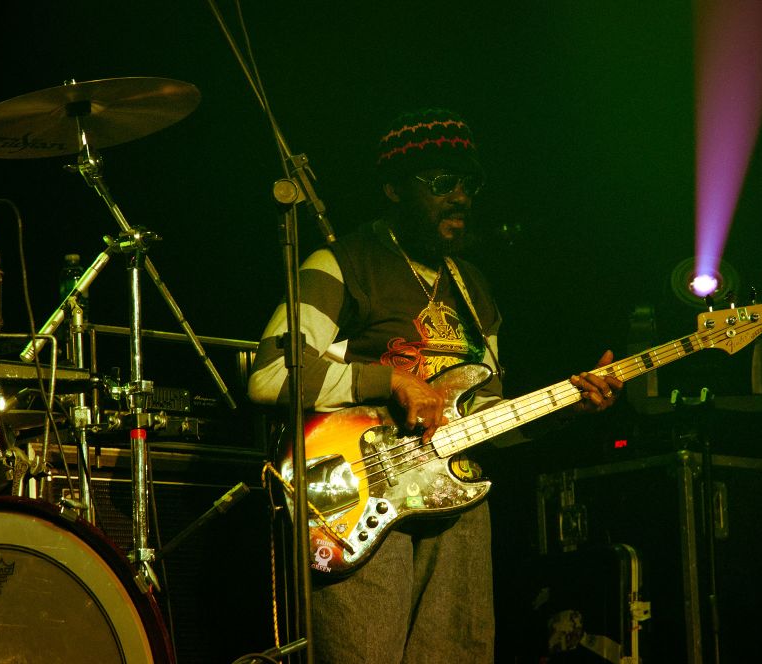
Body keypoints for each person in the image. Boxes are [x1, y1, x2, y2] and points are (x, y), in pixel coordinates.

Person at [247, 108, 622, 664]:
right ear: (394, 188)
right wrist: (390, 380)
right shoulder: (342, 263)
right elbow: (271, 375)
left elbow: (486, 417)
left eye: (469, 184)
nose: (460, 197)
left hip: (457, 505)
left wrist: (566, 408)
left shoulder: (474, 286)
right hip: (363, 497)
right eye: (442, 182)